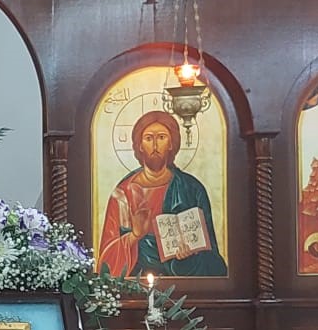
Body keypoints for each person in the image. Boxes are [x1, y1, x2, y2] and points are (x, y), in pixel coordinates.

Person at [97, 110, 227, 278]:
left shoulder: (192, 189)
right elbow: (106, 263)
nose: (155, 146)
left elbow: (212, 260)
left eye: (161, 137)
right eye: (148, 138)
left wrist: (190, 256)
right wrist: (134, 236)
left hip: (185, 286)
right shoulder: (123, 195)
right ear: (140, 145)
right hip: (136, 285)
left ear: (172, 144)